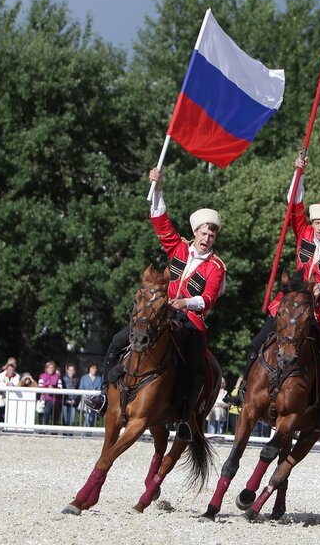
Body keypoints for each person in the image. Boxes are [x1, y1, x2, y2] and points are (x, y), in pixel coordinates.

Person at [87, 166, 226, 443]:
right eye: (202, 233)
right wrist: (158, 187)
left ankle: (186, 415)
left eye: (211, 235)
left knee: (197, 364)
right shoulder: (178, 248)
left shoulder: (216, 266)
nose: (206, 239)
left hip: (190, 320)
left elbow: (208, 298)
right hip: (161, 314)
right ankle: (105, 394)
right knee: (117, 341)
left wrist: (186, 301)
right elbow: (160, 221)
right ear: (195, 232)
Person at [239, 154, 320, 443]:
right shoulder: (302, 234)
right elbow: (294, 206)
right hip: (290, 306)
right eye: (316, 222)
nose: (318, 227)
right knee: (258, 342)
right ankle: (243, 392)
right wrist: (298, 172)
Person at [38, 361, 62, 426]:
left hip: (53, 399)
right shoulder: (42, 376)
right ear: (46, 368)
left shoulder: (57, 377)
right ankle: (42, 431)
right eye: (49, 368)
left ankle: (46, 429)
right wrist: (46, 387)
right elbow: (39, 387)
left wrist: (53, 389)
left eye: (52, 368)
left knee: (49, 413)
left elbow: (60, 388)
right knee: (42, 414)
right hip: (43, 399)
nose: (51, 369)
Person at [79, 363, 102, 427]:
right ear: (89, 369)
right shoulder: (84, 378)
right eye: (92, 368)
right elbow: (81, 388)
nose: (94, 370)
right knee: (87, 418)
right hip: (85, 401)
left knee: (92, 419)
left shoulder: (99, 379)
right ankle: (84, 435)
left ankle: (88, 435)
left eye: (95, 368)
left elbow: (99, 390)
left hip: (94, 401)